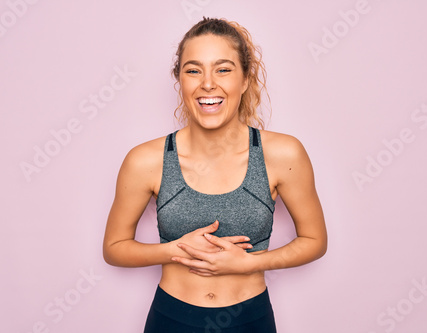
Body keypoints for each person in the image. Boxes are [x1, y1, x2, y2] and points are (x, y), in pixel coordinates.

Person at [103, 17, 327, 333]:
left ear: (246, 79)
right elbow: (114, 247)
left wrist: (250, 262)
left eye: (223, 69)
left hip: (250, 320)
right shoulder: (145, 160)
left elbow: (314, 240)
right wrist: (175, 250)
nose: (208, 83)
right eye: (193, 70)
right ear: (179, 79)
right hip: (172, 319)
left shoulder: (283, 154)